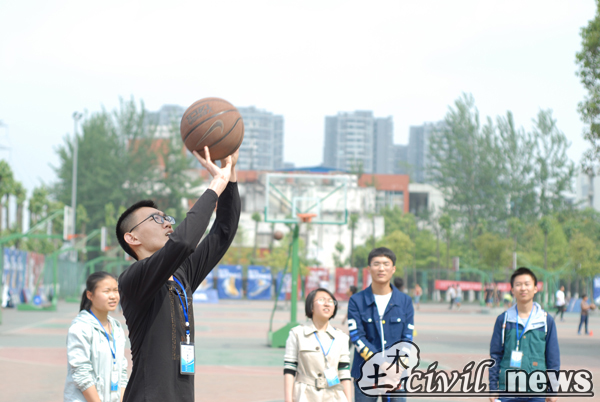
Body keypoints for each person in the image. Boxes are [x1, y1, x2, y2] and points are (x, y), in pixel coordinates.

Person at [116, 147, 240, 402]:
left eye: (167, 218)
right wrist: (215, 186)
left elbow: (223, 231)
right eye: (156, 219)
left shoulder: (182, 274)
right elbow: (183, 242)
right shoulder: (133, 279)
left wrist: (230, 174)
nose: (167, 223)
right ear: (132, 238)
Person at [348, 247, 414, 402]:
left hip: (396, 375)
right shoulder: (356, 301)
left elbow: (407, 338)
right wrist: (383, 365)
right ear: (369, 269)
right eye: (376, 264)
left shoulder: (405, 301)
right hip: (365, 374)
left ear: (393, 269)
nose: (381, 268)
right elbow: (357, 337)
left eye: (386, 264)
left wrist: (396, 368)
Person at [489, 267, 560, 402]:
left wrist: (553, 389)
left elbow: (553, 358)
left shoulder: (546, 321)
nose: (523, 288)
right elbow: (495, 356)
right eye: (518, 284)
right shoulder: (503, 320)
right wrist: (493, 388)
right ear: (512, 290)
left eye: (527, 284)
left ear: (535, 288)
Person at [64, 272, 128, 402]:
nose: (113, 296)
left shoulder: (116, 327)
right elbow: (82, 374)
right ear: (90, 295)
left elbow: (122, 371)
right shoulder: (80, 327)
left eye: (116, 290)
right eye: (106, 291)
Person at [283, 288, 352, 402]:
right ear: (311, 306)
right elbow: (289, 370)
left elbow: (344, 373)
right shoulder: (297, 334)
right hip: (305, 395)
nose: (327, 304)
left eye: (331, 301)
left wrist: (348, 400)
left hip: (334, 395)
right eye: (321, 300)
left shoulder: (341, 337)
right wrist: (288, 400)